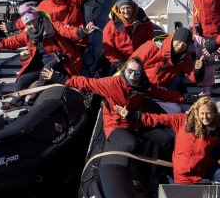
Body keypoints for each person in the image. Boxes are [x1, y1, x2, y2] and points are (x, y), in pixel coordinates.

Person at [48, 57, 183, 153]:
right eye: (130, 71)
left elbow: (163, 94)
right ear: (124, 70)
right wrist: (59, 78)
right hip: (116, 124)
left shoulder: (144, 86)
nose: (132, 75)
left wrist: (185, 98)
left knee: (166, 140)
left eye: (136, 72)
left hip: (135, 121)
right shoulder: (111, 84)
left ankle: (166, 169)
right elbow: (86, 82)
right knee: (132, 145)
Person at [0, 3, 94, 106]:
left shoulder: (52, 26)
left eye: (33, 21)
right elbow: (12, 42)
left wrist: (81, 32)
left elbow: (68, 31)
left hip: (62, 60)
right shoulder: (28, 33)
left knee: (46, 70)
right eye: (28, 24)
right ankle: (16, 102)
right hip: (41, 62)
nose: (32, 26)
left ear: (37, 18)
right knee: (22, 79)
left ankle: (35, 96)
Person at [134, 96, 220, 185]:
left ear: (214, 113)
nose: (205, 117)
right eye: (202, 113)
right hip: (185, 174)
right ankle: (167, 178)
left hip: (204, 167)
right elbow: (158, 118)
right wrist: (134, 116)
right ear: (197, 112)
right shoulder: (181, 121)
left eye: (209, 113)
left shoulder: (218, 129)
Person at [133, 27, 201, 95]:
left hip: (162, 92)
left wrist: (198, 69)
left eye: (184, 44)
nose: (180, 46)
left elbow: (193, 79)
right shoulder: (151, 47)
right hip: (141, 88)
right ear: (173, 39)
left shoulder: (185, 59)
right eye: (179, 41)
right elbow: (131, 64)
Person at [102, 0, 154, 65]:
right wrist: (120, 64)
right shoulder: (110, 26)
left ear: (132, 7)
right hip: (121, 62)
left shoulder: (144, 21)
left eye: (128, 7)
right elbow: (108, 49)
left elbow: (150, 42)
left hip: (141, 59)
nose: (126, 11)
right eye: (123, 8)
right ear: (119, 9)